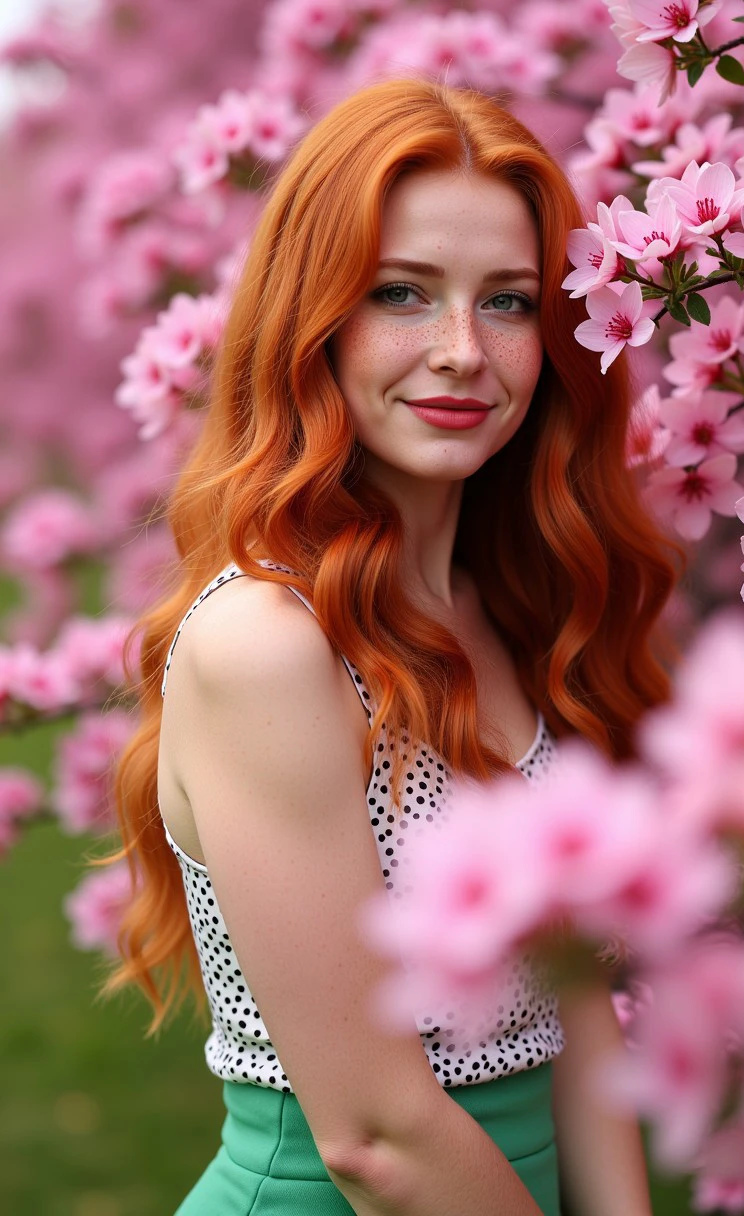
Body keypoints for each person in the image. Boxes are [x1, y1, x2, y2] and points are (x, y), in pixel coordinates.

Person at [108, 78, 674, 1215]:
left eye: (508, 302)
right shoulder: (266, 643)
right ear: (311, 314)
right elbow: (374, 1138)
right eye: (402, 293)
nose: (462, 350)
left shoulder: (516, 607)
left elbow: (573, 996)